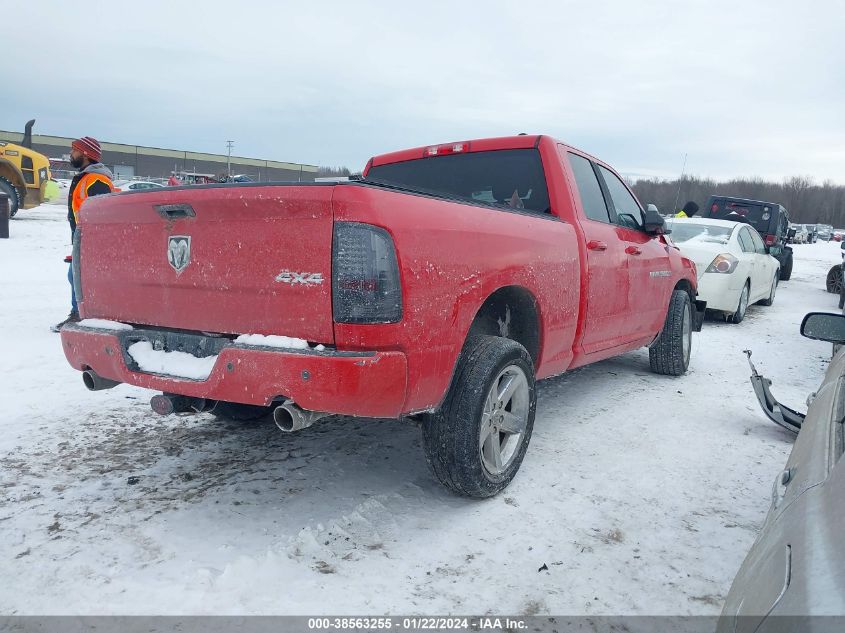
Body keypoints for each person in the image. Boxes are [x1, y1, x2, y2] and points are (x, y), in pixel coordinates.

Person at [52, 137, 114, 332]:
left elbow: (103, 213)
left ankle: (81, 314)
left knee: (76, 276)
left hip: (91, 241)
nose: (71, 154)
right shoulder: (85, 178)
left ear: (86, 154)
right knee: (75, 276)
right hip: (81, 239)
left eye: (75, 150)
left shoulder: (96, 180)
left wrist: (93, 242)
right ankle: (82, 312)